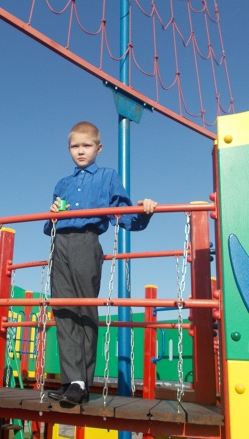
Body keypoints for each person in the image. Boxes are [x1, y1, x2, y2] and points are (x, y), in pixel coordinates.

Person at [43, 121, 157, 407]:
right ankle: (71, 380)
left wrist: (144, 212)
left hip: (87, 241)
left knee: (84, 307)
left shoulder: (107, 177)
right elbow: (49, 224)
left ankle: (81, 382)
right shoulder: (62, 184)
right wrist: (52, 213)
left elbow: (124, 213)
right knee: (62, 309)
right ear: (68, 149)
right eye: (75, 146)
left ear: (98, 148)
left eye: (87, 145)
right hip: (60, 243)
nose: (80, 151)